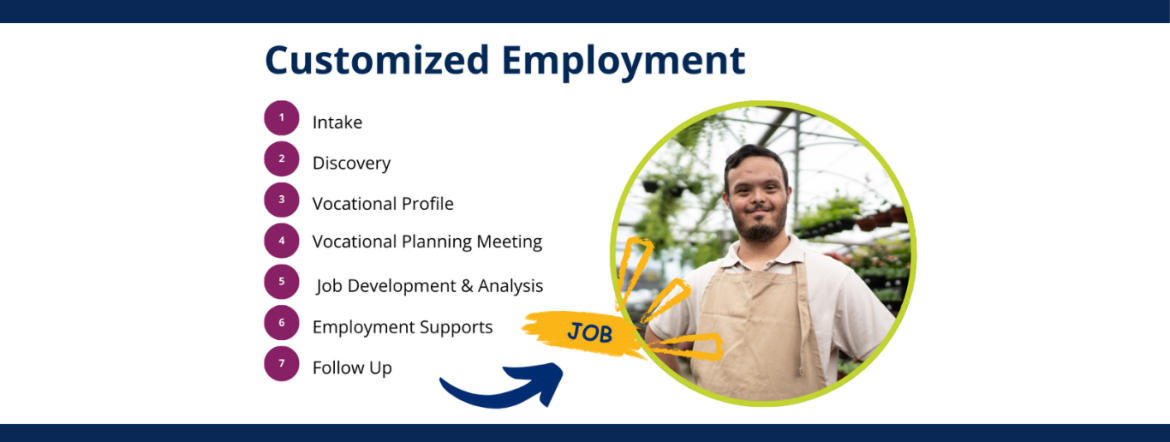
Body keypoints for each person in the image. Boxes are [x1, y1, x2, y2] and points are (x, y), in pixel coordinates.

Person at [645, 144, 895, 401]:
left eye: (770, 187)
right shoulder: (700, 280)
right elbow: (657, 335)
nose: (758, 198)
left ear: (787, 194)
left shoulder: (834, 278)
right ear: (727, 200)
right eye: (744, 190)